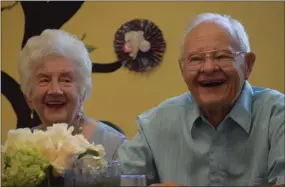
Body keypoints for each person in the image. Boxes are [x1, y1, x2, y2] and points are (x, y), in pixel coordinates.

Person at [118, 13, 284, 186]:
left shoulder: (277, 116)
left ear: (248, 64)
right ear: (182, 70)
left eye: (221, 56)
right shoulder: (153, 125)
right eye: (196, 59)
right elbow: (119, 180)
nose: (209, 68)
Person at [18, 29, 127, 162]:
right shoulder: (18, 148)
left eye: (66, 80)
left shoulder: (116, 148)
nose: (55, 90)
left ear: (83, 92)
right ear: (28, 98)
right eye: (44, 80)